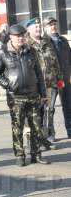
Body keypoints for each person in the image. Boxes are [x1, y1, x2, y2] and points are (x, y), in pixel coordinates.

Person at [0, 24, 50, 166]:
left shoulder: (32, 51)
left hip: (33, 95)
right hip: (15, 97)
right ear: (11, 37)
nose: (21, 38)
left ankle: (36, 155)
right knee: (17, 128)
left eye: (23, 36)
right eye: (18, 36)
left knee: (36, 127)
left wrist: (43, 94)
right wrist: (8, 84)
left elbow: (39, 74)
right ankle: (19, 155)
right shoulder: (2, 53)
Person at [25, 17, 59, 148]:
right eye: (36, 27)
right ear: (29, 30)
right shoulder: (26, 44)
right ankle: (32, 141)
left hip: (50, 83)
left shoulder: (47, 41)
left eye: (39, 27)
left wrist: (59, 78)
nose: (38, 29)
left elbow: (55, 60)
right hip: (35, 86)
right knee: (34, 114)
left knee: (48, 111)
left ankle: (46, 138)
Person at [43, 16, 71, 139]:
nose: (53, 26)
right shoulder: (44, 42)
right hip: (51, 81)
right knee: (50, 108)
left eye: (54, 24)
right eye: (50, 25)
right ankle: (50, 134)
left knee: (68, 105)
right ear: (45, 28)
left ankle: (70, 130)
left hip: (65, 79)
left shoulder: (63, 40)